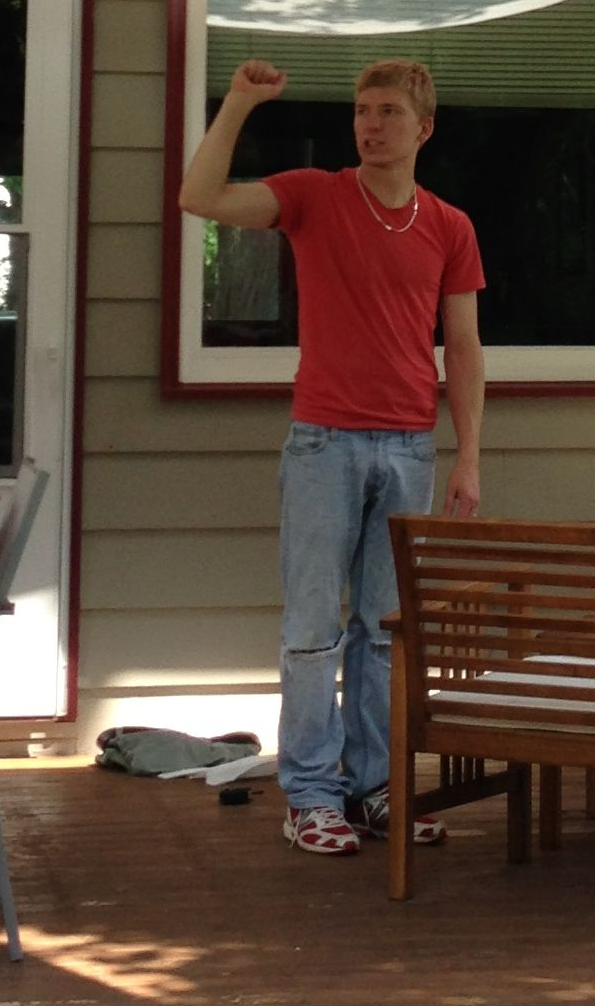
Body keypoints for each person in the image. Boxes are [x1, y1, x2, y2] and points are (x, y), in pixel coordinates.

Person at [178, 54, 485, 857]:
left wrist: (468, 456)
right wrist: (241, 102)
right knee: (313, 628)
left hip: (410, 447)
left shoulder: (449, 225)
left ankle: (374, 789)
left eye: (386, 111)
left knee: (384, 633)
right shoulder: (316, 195)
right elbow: (199, 197)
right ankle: (311, 797)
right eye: (361, 109)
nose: (369, 123)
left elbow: (463, 345)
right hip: (324, 443)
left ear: (422, 128)